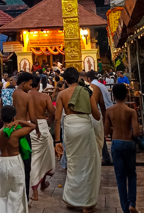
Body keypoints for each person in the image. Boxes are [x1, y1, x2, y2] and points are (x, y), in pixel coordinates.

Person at [55, 67, 101, 213]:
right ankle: (87, 204)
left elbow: (57, 119)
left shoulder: (61, 94)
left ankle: (72, 199)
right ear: (78, 78)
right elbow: (97, 116)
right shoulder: (87, 92)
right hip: (85, 128)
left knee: (73, 164)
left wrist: (57, 141)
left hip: (70, 129)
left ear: (65, 80)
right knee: (88, 164)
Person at [0, 72, 40, 202]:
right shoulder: (27, 97)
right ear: (23, 84)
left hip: (6, 132)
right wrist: (37, 129)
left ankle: (11, 195)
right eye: (29, 84)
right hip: (22, 132)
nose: (30, 87)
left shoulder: (5, 94)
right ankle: (24, 197)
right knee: (26, 166)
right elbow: (33, 117)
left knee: (11, 163)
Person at [104, 84, 139, 213]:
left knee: (120, 178)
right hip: (129, 143)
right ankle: (132, 203)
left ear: (113, 95)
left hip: (116, 143)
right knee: (132, 174)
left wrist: (115, 128)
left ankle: (125, 209)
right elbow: (136, 132)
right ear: (126, 95)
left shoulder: (110, 111)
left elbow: (106, 131)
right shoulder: (131, 111)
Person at [0, 105, 36, 213]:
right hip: (15, 162)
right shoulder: (16, 133)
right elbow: (33, 126)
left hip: (3, 163)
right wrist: (19, 121)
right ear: (14, 118)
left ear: (1, 118)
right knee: (17, 193)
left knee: (4, 195)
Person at [29, 76, 55, 201]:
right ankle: (36, 190)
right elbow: (52, 112)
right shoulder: (45, 97)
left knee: (33, 158)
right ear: (38, 84)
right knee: (44, 157)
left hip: (28, 126)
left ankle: (39, 187)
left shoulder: (24, 96)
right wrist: (48, 122)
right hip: (42, 126)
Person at [87, 70, 112, 165]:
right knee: (102, 136)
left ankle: (104, 156)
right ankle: (108, 156)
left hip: (97, 113)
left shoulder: (92, 87)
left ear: (88, 79)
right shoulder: (100, 85)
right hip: (104, 110)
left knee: (100, 136)